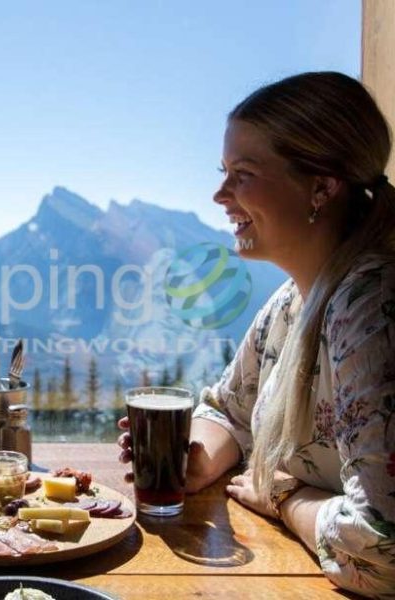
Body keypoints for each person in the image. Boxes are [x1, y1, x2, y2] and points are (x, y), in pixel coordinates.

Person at [118, 72, 395, 596]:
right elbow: (227, 408)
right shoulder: (296, 301)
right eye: (223, 172)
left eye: (242, 174)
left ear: (321, 186)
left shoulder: (373, 306)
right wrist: (197, 458)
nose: (220, 195)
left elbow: (384, 550)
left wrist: (283, 498)